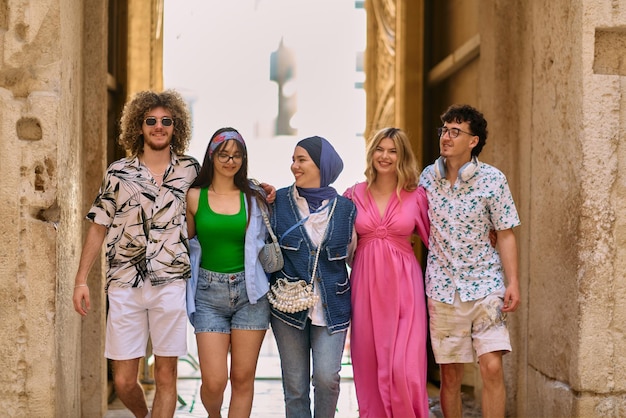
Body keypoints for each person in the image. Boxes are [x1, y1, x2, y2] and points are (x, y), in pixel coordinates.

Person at [72, 90, 200, 418]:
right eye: (151, 121)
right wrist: (81, 280)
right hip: (125, 283)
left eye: (166, 121)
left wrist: (259, 191)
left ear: (176, 126)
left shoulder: (190, 170)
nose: (159, 126)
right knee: (125, 379)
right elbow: (99, 225)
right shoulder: (118, 173)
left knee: (166, 375)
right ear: (139, 126)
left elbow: (221, 198)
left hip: (171, 281)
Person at [418, 104, 521, 418]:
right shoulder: (426, 179)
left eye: (455, 131)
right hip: (442, 289)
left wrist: (513, 281)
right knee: (450, 376)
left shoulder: (493, 180)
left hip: (486, 286)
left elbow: (504, 233)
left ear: (473, 141)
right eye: (444, 130)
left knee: (491, 367)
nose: (446, 137)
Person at [343, 127, 430, 417]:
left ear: (402, 156)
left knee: (404, 369)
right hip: (365, 288)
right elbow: (326, 232)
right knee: (368, 366)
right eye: (380, 149)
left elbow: (442, 241)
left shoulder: (417, 196)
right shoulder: (353, 194)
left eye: (393, 150)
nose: (385, 156)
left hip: (405, 289)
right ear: (371, 153)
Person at [185, 127, 271, 418]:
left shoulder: (255, 196)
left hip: (251, 296)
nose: (230, 160)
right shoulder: (194, 197)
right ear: (212, 156)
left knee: (243, 379)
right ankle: (214, 415)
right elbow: (182, 243)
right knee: (214, 381)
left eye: (237, 155)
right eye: (224, 154)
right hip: (208, 294)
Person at [269, 136, 357, 418]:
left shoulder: (346, 209)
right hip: (287, 308)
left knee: (327, 378)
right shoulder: (277, 201)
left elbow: (354, 256)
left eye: (301, 159)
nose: (294, 166)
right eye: (293, 160)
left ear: (322, 165)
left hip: (333, 306)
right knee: (295, 387)